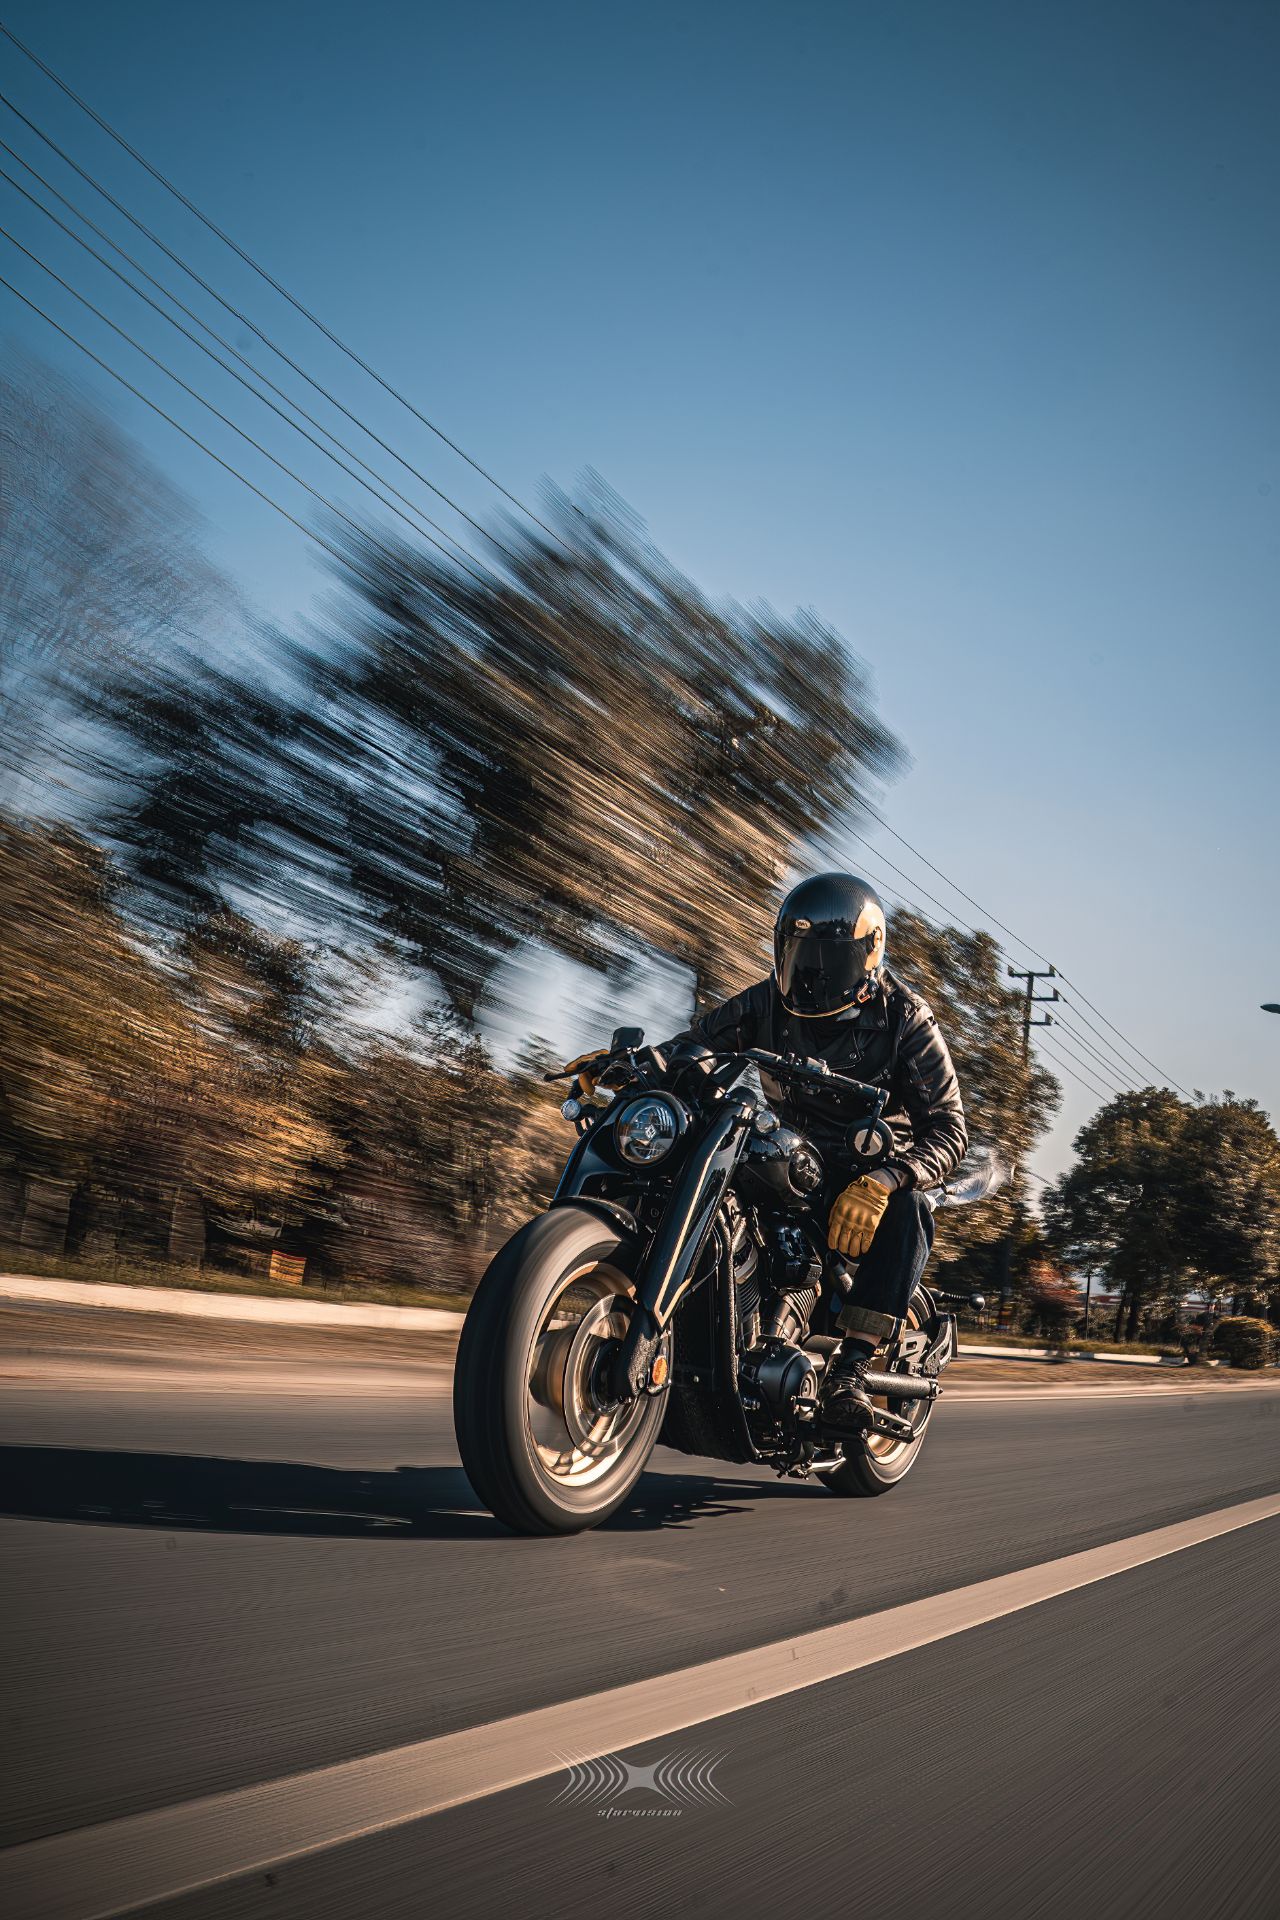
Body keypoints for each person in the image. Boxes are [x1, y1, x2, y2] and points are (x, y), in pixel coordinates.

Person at [567, 872, 967, 1434]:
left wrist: (889, 1178)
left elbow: (949, 1129)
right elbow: (694, 1046)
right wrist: (631, 1065)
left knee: (912, 1210)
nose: (811, 974)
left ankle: (851, 1367)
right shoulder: (766, 1002)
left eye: (828, 959)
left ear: (868, 955)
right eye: (800, 954)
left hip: (865, 1168)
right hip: (793, 1150)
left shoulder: (904, 1019)